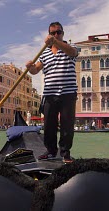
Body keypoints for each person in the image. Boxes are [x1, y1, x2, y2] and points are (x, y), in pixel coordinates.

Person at [25, 22, 78, 163]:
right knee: (49, 125)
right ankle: (51, 152)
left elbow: (73, 53)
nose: (56, 35)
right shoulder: (45, 53)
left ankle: (65, 153)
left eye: (58, 32)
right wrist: (30, 67)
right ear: (49, 34)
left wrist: (55, 41)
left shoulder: (70, 48)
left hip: (68, 93)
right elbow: (36, 70)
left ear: (63, 33)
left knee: (67, 125)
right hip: (49, 94)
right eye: (53, 33)